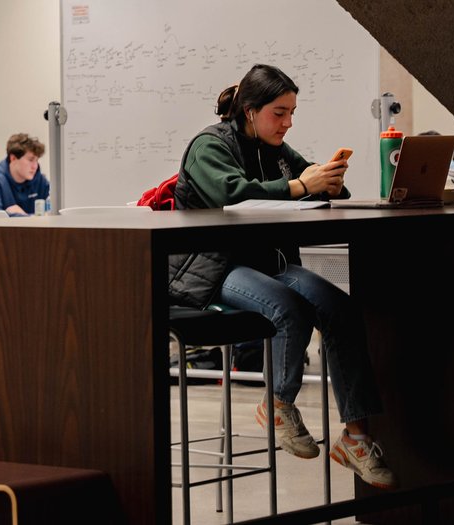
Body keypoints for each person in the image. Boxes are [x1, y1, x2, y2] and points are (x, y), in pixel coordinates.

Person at [171, 64, 397, 489]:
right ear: (250, 110)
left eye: (292, 112)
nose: (288, 122)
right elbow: (230, 194)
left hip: (265, 264)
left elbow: (317, 183)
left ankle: (356, 437)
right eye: (280, 112)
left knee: (339, 308)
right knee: (288, 308)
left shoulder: (274, 147)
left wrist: (327, 180)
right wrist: (299, 187)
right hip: (211, 268)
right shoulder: (209, 145)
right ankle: (277, 406)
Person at [0, 133, 50, 216]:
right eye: (31, 160)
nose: (35, 166)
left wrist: (23, 216)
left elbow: (57, 212)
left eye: (37, 160)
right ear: (13, 158)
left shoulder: (41, 181)